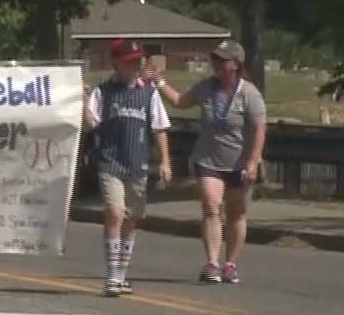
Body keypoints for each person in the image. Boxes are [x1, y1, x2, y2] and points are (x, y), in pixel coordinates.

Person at [154, 39, 266, 284]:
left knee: (236, 213)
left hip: (239, 161)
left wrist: (253, 161)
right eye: (215, 60)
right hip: (209, 159)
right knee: (211, 206)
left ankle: (230, 264)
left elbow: (259, 129)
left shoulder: (248, 93)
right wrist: (159, 82)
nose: (216, 65)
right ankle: (212, 263)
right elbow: (180, 101)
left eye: (222, 60)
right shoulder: (207, 87)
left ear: (235, 64)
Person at [85, 39, 172, 296]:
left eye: (138, 60)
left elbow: (159, 127)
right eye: (129, 61)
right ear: (116, 63)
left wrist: (165, 160)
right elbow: (91, 123)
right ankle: (111, 276)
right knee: (114, 211)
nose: (135, 65)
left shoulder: (148, 92)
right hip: (111, 161)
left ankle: (122, 274)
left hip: (138, 163)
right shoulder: (104, 92)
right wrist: (82, 100)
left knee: (131, 218)